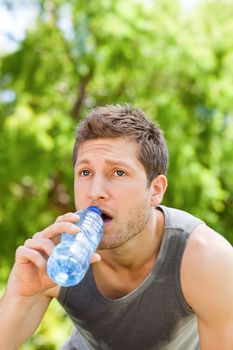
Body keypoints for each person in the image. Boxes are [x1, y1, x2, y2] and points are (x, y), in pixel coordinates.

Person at [0, 104, 233, 350]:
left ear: (155, 190)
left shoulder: (206, 259)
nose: (95, 192)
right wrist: (19, 294)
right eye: (86, 172)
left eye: (118, 172)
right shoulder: (56, 255)